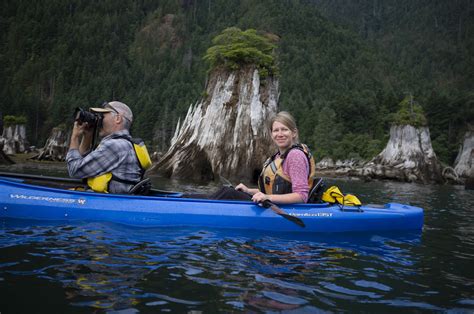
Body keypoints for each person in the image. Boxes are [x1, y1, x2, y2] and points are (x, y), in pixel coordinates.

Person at [213, 111, 316, 204]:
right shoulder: (278, 157)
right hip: (273, 205)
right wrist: (249, 191)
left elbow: (301, 196)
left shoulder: (295, 156)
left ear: (293, 133)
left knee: (228, 193)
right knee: (226, 191)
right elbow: (271, 191)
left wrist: (267, 197)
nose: (280, 134)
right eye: (276, 130)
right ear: (271, 134)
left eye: (284, 130)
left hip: (286, 210)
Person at [66, 101, 151, 194]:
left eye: (102, 116)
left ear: (118, 118)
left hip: (108, 202)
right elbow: (83, 164)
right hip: (119, 200)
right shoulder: (127, 144)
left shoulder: (114, 146)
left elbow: (74, 170)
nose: (99, 120)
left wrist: (75, 137)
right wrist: (87, 137)